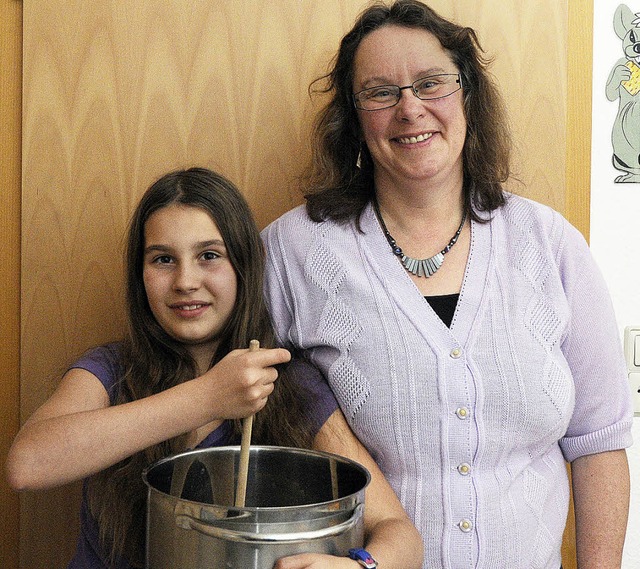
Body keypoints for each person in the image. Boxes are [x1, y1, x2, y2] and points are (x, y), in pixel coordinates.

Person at [260, 2, 635, 568]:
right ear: (355, 119)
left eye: (431, 83)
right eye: (381, 92)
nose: (410, 109)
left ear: (467, 97)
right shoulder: (294, 253)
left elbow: (598, 442)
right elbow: (245, 413)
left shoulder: (548, 245)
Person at [6, 167, 423, 569]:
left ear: (247, 263)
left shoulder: (287, 381)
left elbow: (399, 533)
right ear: (140, 273)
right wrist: (208, 396)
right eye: (163, 260)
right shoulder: (109, 370)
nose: (186, 281)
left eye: (209, 255)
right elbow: (28, 465)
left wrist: (361, 565)